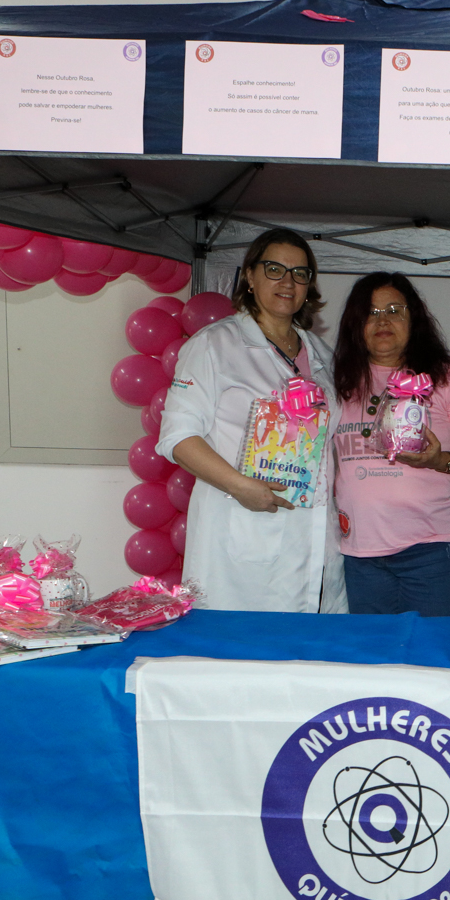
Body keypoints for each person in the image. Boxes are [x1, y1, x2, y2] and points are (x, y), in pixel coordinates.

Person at [157, 229, 347, 613]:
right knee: (239, 658)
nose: (287, 282)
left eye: (300, 273)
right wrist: (241, 487)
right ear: (249, 275)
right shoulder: (213, 345)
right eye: (274, 269)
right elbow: (178, 437)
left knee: (308, 658)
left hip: (313, 535)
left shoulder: (323, 354)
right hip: (241, 524)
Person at [330, 272, 450, 616]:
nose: (382, 320)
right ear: (356, 324)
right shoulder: (337, 379)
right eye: (371, 312)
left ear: (414, 319)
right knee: (370, 660)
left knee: (425, 657)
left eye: (394, 310)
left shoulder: (448, 376)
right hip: (359, 550)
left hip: (429, 549)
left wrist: (438, 460)